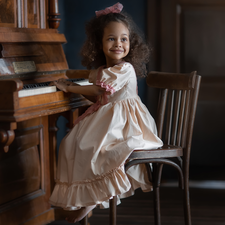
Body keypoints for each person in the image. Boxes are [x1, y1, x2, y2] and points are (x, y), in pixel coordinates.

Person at [49, 2, 163, 223]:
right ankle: (84, 198)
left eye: (124, 39)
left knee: (93, 148)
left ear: (132, 44)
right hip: (109, 119)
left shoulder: (125, 68)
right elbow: (100, 95)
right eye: (111, 39)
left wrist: (68, 87)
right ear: (99, 43)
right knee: (70, 143)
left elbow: (99, 89)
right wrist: (76, 90)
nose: (118, 44)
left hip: (127, 123)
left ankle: (91, 201)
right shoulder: (102, 71)